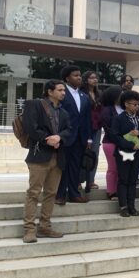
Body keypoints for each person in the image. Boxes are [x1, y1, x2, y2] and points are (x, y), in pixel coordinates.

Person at [21, 80, 71, 243]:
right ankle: (29, 230)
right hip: (39, 155)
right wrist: (46, 139)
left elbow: (69, 130)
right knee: (34, 193)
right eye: (60, 90)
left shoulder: (64, 112)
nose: (64, 92)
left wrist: (59, 137)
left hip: (57, 157)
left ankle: (45, 227)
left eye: (64, 90)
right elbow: (30, 127)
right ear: (50, 91)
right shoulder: (34, 105)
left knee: (51, 194)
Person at [56, 65, 92, 205]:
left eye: (80, 75)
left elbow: (87, 119)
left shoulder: (84, 96)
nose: (79, 77)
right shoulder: (62, 94)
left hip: (80, 138)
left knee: (75, 166)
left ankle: (74, 194)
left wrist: (89, 138)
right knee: (62, 167)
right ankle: (60, 194)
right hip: (64, 137)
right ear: (67, 78)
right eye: (75, 75)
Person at [111, 90, 139, 217]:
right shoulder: (119, 118)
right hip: (123, 153)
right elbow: (115, 136)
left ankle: (132, 206)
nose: (136, 107)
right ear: (126, 104)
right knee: (123, 179)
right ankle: (123, 206)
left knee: (132, 180)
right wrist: (130, 144)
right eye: (134, 104)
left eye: (138, 104)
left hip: (137, 153)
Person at [99, 86, 123, 200]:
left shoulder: (124, 108)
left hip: (124, 142)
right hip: (110, 142)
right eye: (120, 94)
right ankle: (111, 191)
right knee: (113, 168)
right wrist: (120, 139)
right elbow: (108, 128)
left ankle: (120, 190)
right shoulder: (107, 110)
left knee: (122, 168)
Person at [80, 70, 102, 193]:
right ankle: (78, 180)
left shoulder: (99, 94)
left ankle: (91, 180)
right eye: (92, 78)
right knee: (82, 153)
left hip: (97, 128)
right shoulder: (81, 93)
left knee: (94, 154)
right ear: (86, 79)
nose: (95, 80)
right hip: (84, 127)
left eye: (96, 77)